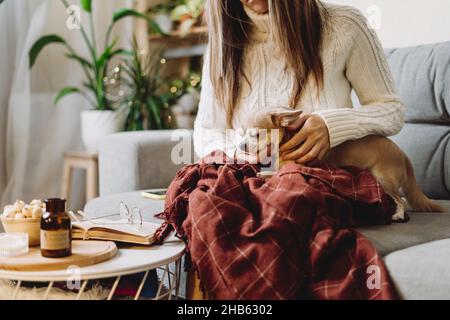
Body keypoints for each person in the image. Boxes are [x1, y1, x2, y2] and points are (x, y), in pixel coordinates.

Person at [194, 0, 405, 165]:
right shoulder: (221, 48)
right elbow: (206, 132)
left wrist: (331, 125)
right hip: (250, 178)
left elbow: (392, 111)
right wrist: (240, 154)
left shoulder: (345, 25)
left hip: (324, 177)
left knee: (289, 200)